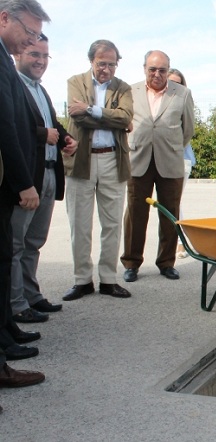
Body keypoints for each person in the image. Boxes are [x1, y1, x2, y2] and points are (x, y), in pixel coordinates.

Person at [0, 0, 51, 404]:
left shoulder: (5, 59)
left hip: (19, 176)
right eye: (30, 33)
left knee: (8, 256)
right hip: (10, 179)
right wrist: (22, 182)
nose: (32, 41)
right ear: (5, 19)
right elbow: (7, 126)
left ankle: (6, 334)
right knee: (5, 256)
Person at [10, 34, 78, 323]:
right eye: (33, 54)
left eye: (44, 56)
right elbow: (11, 128)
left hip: (49, 173)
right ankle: (15, 304)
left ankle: (30, 295)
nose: (39, 61)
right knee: (15, 244)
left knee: (34, 241)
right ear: (17, 55)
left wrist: (64, 137)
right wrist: (43, 135)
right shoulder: (11, 86)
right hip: (27, 176)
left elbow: (50, 122)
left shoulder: (40, 89)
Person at [62, 40, 133, 301]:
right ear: (91, 61)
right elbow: (76, 115)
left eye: (111, 64)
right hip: (82, 160)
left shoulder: (123, 87)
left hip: (113, 160)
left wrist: (92, 109)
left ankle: (108, 280)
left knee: (112, 223)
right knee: (79, 223)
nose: (106, 69)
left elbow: (126, 117)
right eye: (101, 63)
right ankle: (82, 280)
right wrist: (110, 117)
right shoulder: (75, 82)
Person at [121, 50, 195, 282]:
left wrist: (169, 146)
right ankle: (131, 263)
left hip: (170, 161)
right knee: (135, 214)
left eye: (162, 70)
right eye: (152, 69)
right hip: (138, 160)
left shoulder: (182, 93)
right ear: (144, 68)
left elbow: (188, 129)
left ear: (168, 69)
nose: (157, 74)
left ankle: (166, 262)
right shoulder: (129, 92)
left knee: (169, 213)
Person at [167, 68, 197, 260]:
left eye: (178, 82)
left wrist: (174, 149)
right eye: (171, 82)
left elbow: (189, 129)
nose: (174, 85)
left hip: (180, 157)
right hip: (160, 158)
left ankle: (180, 243)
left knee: (174, 201)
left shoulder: (184, 99)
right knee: (169, 202)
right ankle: (174, 243)